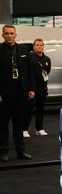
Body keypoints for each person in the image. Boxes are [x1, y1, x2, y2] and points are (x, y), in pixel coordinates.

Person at [0, 25, 35, 162]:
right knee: (2, 124)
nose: (9, 36)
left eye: (11, 33)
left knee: (19, 123)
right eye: (7, 33)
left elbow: (29, 72)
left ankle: (21, 151)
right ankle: (3, 151)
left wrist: (31, 89)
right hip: (4, 94)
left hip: (21, 92)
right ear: (3, 35)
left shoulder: (24, 50)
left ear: (16, 35)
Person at [23, 39, 51, 137]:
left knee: (40, 109)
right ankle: (24, 129)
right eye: (37, 45)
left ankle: (39, 129)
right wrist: (29, 89)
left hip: (42, 88)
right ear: (34, 46)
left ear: (43, 46)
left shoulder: (47, 59)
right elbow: (26, 73)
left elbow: (47, 72)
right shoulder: (29, 57)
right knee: (28, 109)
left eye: (41, 45)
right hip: (31, 89)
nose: (39, 47)